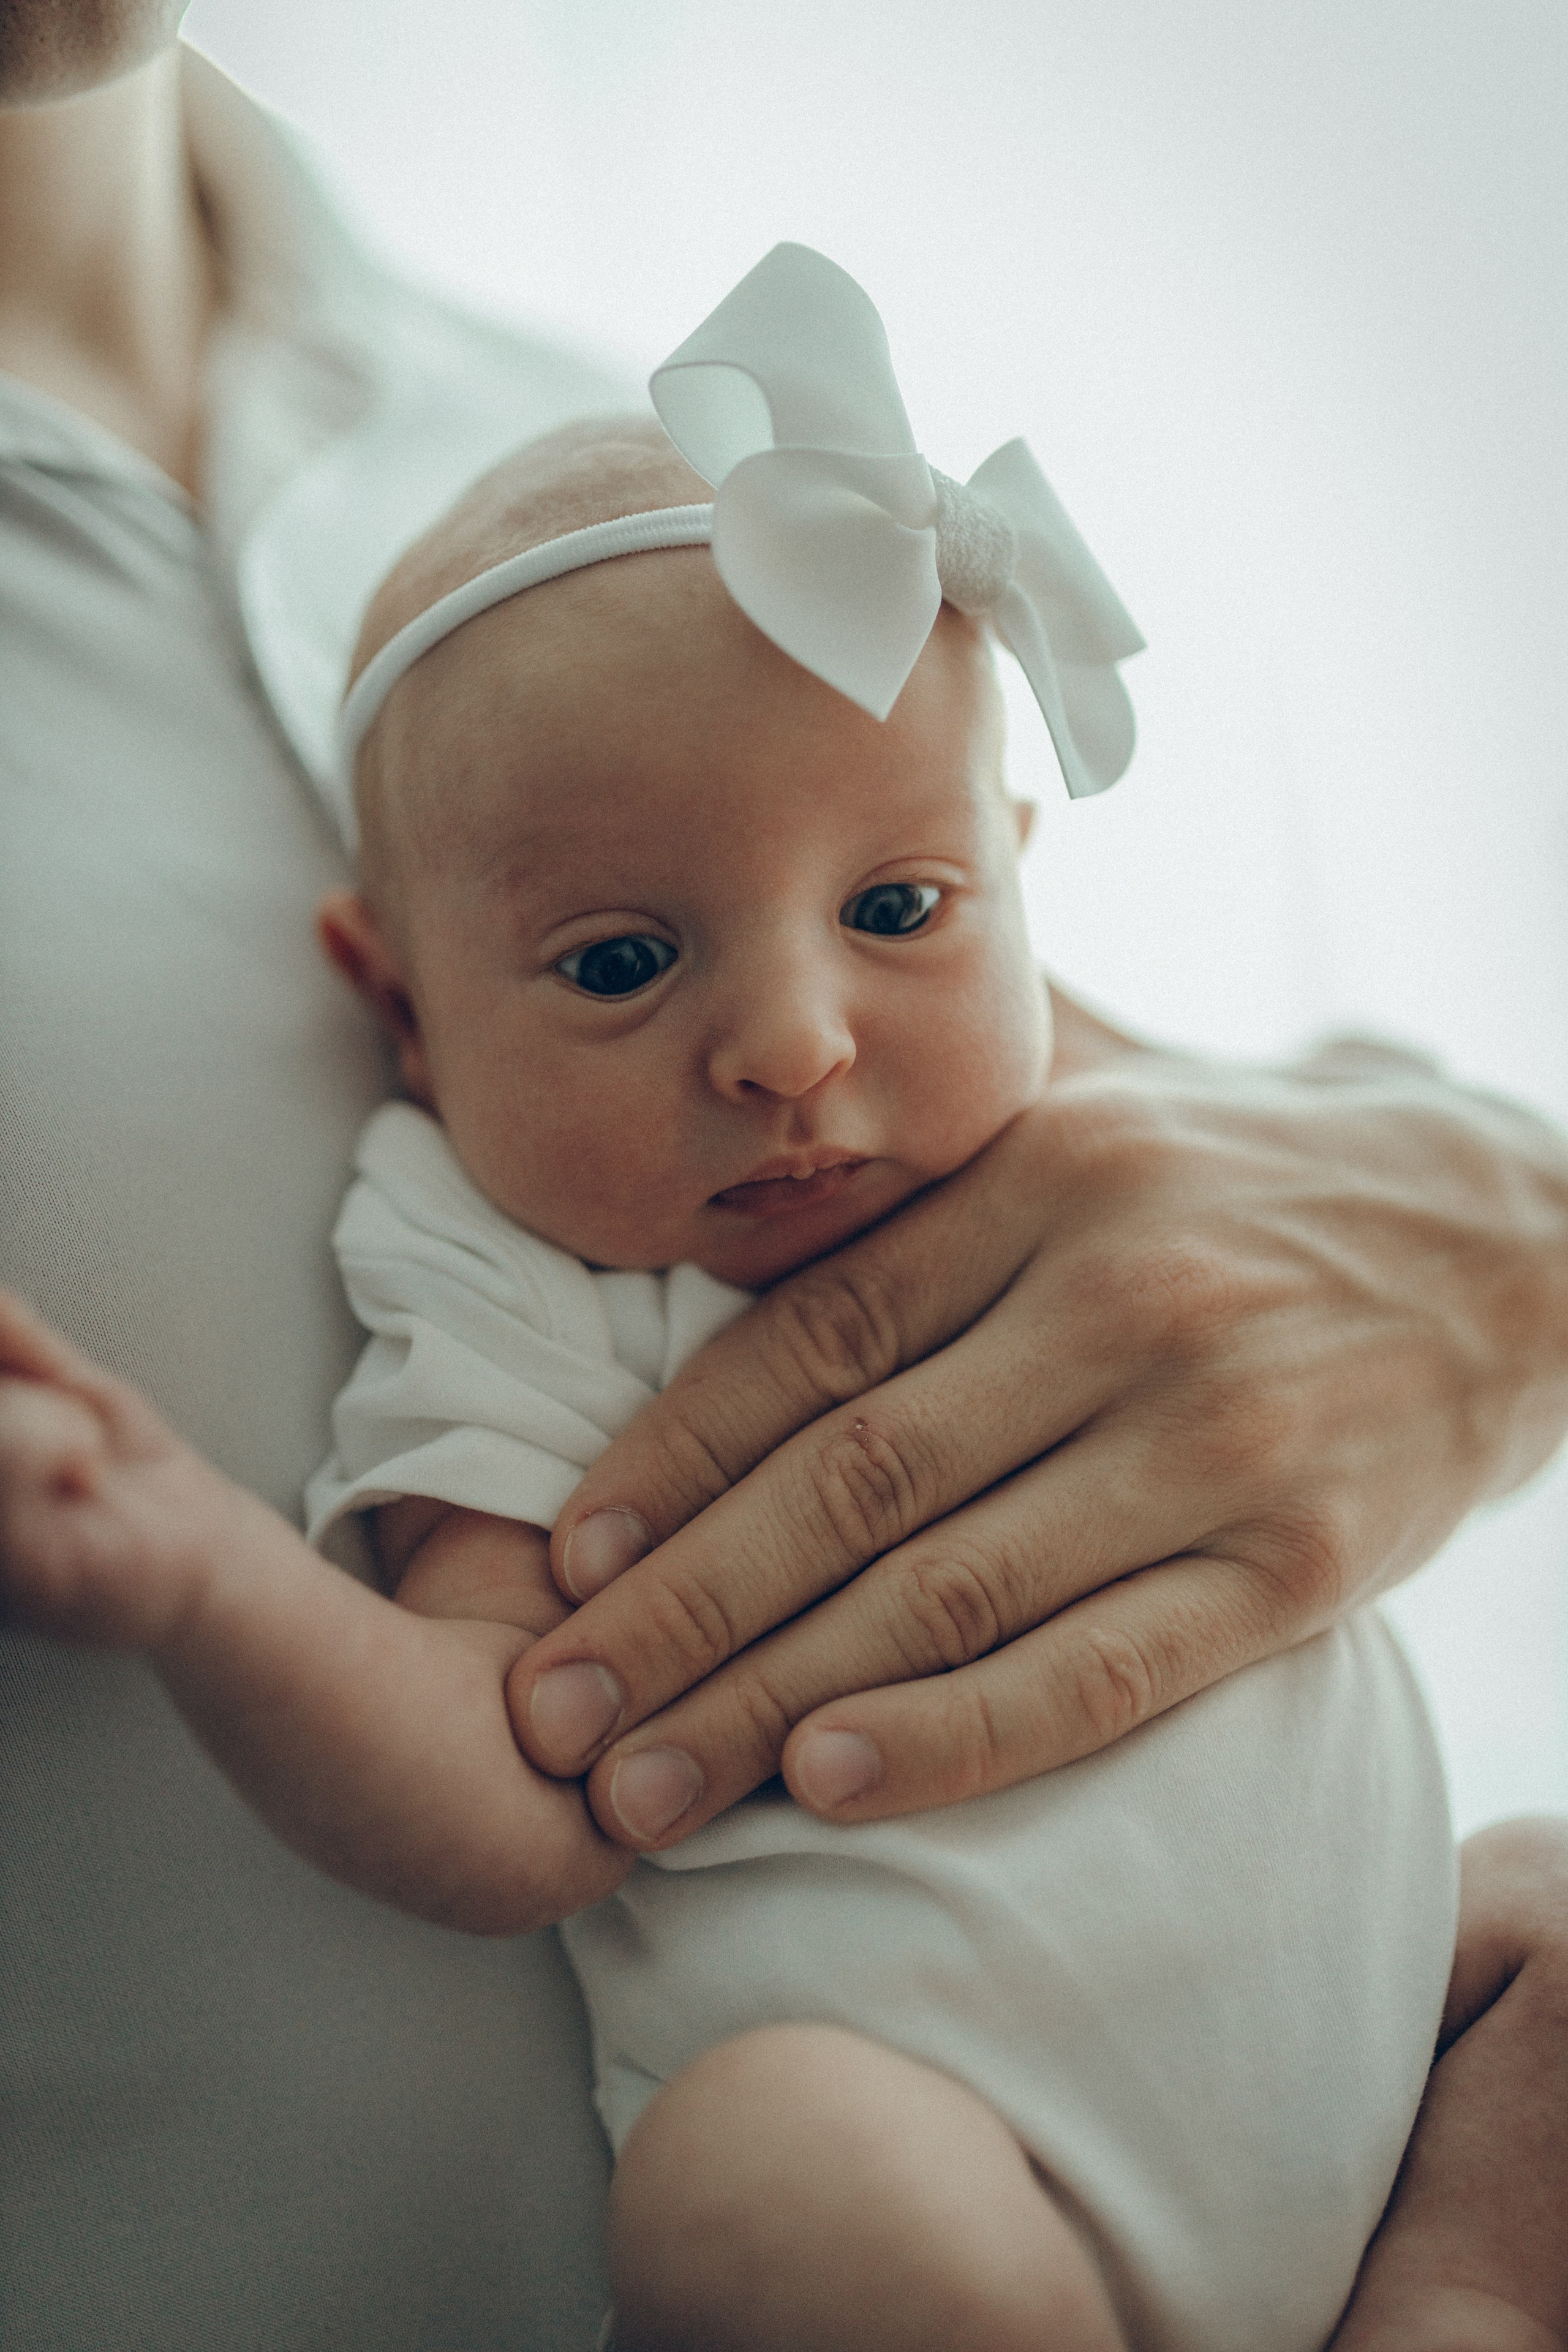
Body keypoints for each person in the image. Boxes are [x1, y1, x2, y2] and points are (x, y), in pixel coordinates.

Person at [1, 11, 1564, 2350]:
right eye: (621, 964)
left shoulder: (664, 464)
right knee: (776, 2192)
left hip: (1365, 2039)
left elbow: (1275, 1187)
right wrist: (207, 1566)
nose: (799, 1046)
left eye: (908, 916)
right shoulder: (516, 1281)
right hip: (947, 2171)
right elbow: (505, 1782)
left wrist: (1515, 1236)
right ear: (398, 1011)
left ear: (1012, 870)